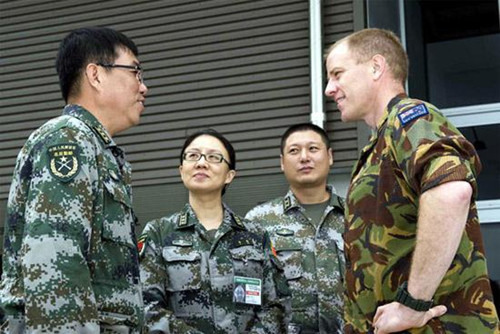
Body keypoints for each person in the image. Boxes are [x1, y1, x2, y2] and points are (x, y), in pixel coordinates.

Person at [324, 28, 500, 333]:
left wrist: (413, 303)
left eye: (338, 74)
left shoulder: (411, 118)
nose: (329, 88)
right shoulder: (379, 143)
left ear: (376, 67)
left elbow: (451, 192)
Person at [0, 27, 148, 333]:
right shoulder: (68, 140)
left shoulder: (97, 148)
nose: (143, 86)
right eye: (135, 71)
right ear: (95, 75)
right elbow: (55, 265)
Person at [139, 129, 286, 333]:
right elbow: (147, 306)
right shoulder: (158, 233)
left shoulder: (255, 236)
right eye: (193, 155)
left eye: (214, 157)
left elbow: (275, 306)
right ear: (182, 170)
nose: (201, 163)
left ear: (229, 175)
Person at [245, 123, 345, 334]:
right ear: (282, 162)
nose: (304, 157)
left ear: (330, 156)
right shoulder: (258, 221)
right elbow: (247, 292)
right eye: (294, 151)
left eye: (313, 149)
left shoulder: (358, 216)